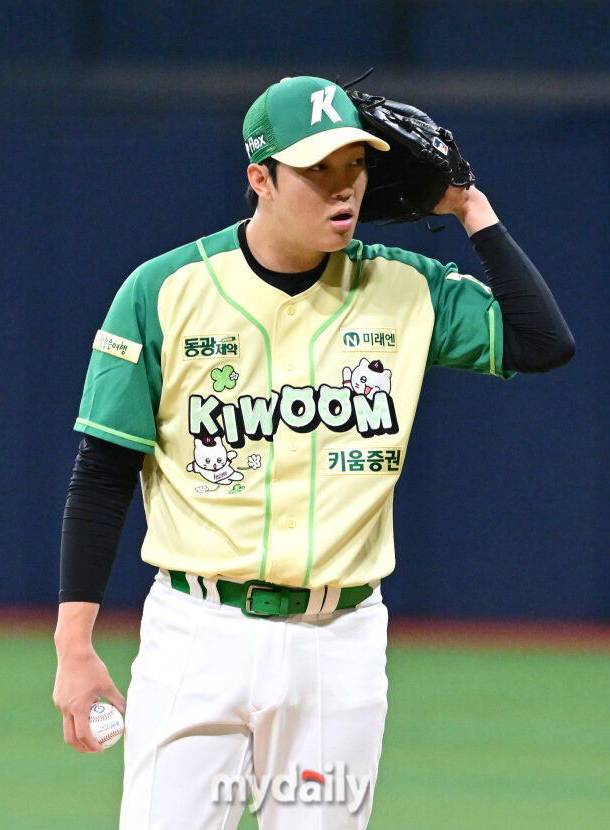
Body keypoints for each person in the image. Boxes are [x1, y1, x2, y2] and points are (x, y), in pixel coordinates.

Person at [53, 76, 574, 829]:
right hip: (198, 634)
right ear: (260, 178)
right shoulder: (163, 291)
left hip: (340, 644)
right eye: (316, 168)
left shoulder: (406, 287)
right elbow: (102, 475)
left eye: (354, 164)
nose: (343, 187)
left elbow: (543, 342)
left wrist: (470, 207)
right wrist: (74, 645)